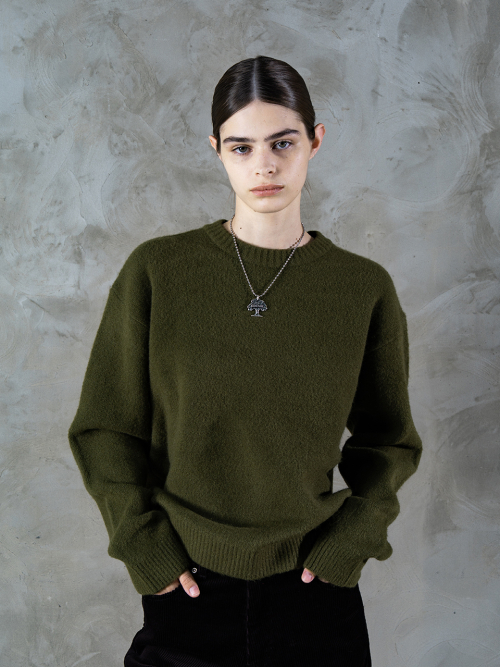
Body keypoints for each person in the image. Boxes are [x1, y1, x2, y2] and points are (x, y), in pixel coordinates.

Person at [68, 55, 422, 667]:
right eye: (241, 147)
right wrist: (145, 547)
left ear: (315, 142)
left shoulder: (362, 288)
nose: (265, 165)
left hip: (315, 592)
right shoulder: (158, 271)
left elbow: (389, 440)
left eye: (283, 142)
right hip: (188, 588)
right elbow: (105, 428)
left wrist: (352, 540)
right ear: (217, 150)